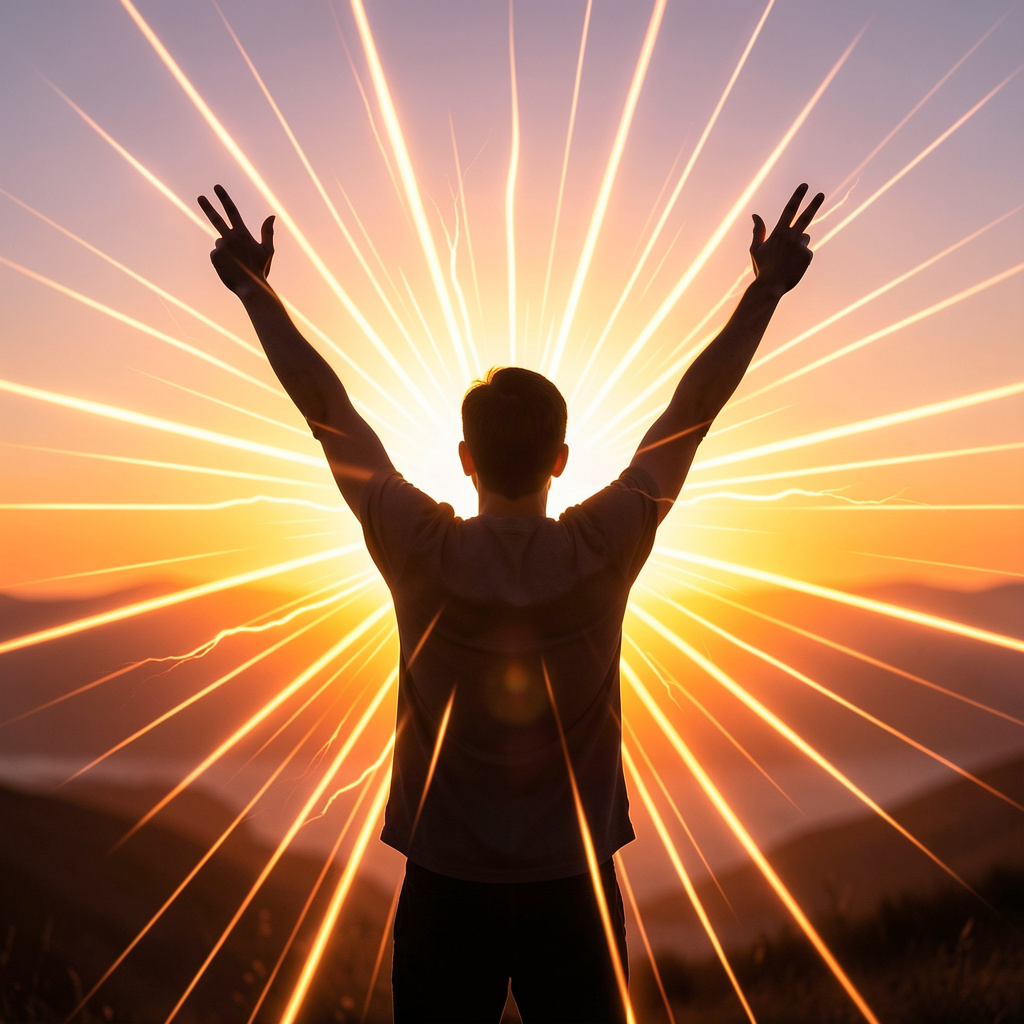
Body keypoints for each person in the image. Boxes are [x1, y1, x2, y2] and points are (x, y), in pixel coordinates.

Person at [198, 181, 824, 1023]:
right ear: (562, 458)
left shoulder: (418, 549)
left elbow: (327, 410)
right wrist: (764, 291)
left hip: (445, 889)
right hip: (576, 893)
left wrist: (257, 292)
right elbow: (693, 412)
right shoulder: (604, 547)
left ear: (463, 456)